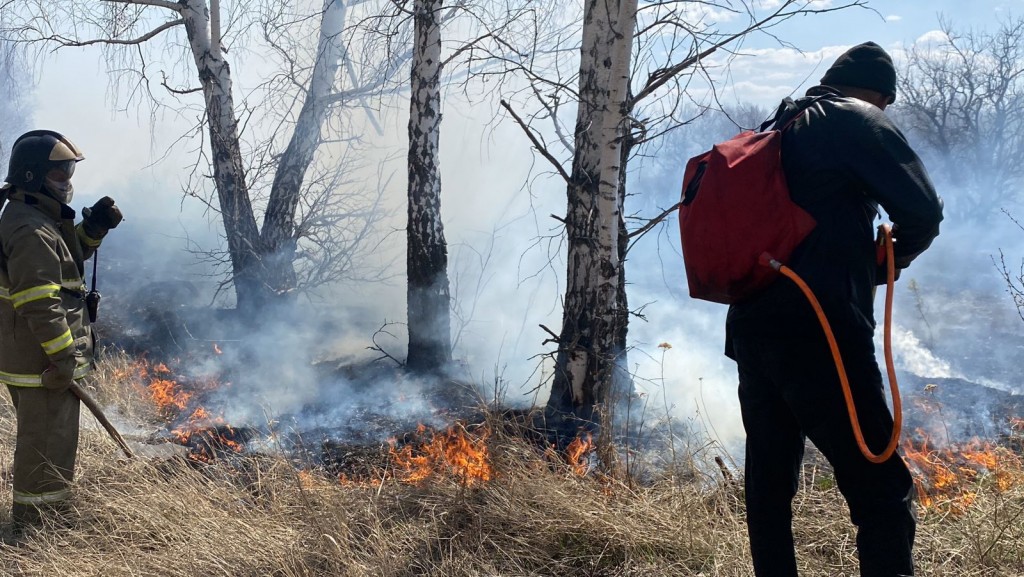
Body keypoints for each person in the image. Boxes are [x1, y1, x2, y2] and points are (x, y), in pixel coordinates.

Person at [725, 43, 944, 576]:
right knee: (882, 492)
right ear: (878, 94)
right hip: (819, 332)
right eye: (885, 103)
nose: (885, 112)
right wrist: (879, 268)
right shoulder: (855, 119)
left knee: (769, 491)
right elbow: (922, 212)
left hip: (752, 330)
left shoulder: (779, 123)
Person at [0, 130, 122, 538]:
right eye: (58, 172)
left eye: (69, 169)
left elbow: (67, 257)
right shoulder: (29, 228)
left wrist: (94, 229)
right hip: (42, 361)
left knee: (53, 442)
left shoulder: (38, 216)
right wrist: (64, 357)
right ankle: (38, 531)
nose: (67, 179)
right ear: (33, 175)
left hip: (41, 357)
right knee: (45, 447)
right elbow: (39, 301)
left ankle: (49, 519)